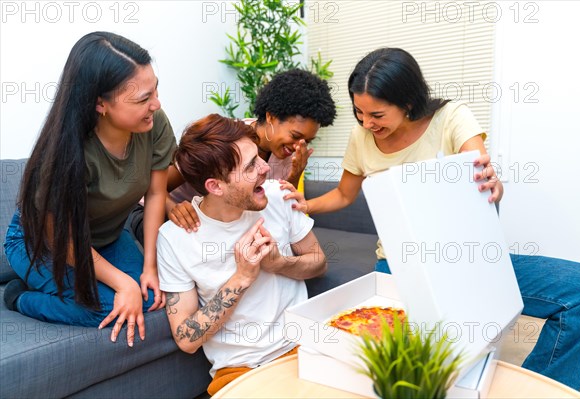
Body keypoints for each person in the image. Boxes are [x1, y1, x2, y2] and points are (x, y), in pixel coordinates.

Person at [287, 47, 580, 390]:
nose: (366, 123)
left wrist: (492, 185)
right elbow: (345, 194)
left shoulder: (452, 118)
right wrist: (307, 205)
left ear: (407, 102)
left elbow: (483, 183)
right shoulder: (361, 137)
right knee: (418, 361)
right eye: (358, 112)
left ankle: (541, 388)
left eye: (376, 114)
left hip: (467, 259)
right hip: (399, 265)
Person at [3, 32, 176, 347]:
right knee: (111, 308)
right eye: (142, 99)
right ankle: (21, 297)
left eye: (155, 90)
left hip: (107, 238)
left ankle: (47, 283)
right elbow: (63, 238)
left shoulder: (154, 123)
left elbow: (155, 195)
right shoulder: (63, 155)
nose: (156, 104)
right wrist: (123, 283)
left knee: (152, 297)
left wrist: (150, 265)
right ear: (100, 103)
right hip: (47, 245)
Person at [156, 114, 326, 395]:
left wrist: (281, 263)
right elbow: (187, 338)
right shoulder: (174, 238)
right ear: (215, 186)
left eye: (259, 157)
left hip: (301, 349)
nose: (265, 168)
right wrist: (242, 278)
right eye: (251, 166)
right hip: (237, 370)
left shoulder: (277, 196)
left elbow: (318, 262)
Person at [129, 68, 336, 241]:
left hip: (214, 222)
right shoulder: (227, 139)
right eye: (295, 135)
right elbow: (155, 187)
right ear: (271, 117)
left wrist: (295, 173)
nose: (299, 145)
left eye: (307, 141)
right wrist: (173, 207)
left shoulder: (287, 155)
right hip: (158, 213)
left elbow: (277, 206)